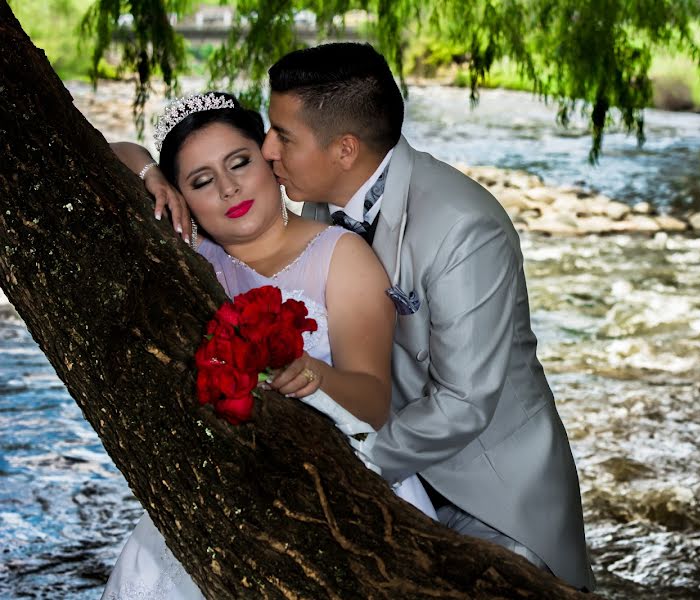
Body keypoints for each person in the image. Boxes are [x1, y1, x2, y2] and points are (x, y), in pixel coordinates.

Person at [262, 43, 595, 591]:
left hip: (489, 496)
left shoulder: (462, 226)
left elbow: (465, 401)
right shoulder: (319, 206)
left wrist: (353, 462)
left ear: (345, 149)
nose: (268, 148)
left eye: (283, 135)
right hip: (403, 472)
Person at [102, 92, 436, 599]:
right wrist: (149, 173)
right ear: (183, 197)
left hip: (336, 483)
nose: (229, 187)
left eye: (239, 162)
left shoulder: (340, 255)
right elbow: (96, 154)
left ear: (268, 159)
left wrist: (314, 376)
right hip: (220, 489)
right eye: (201, 181)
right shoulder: (189, 254)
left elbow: (374, 400)